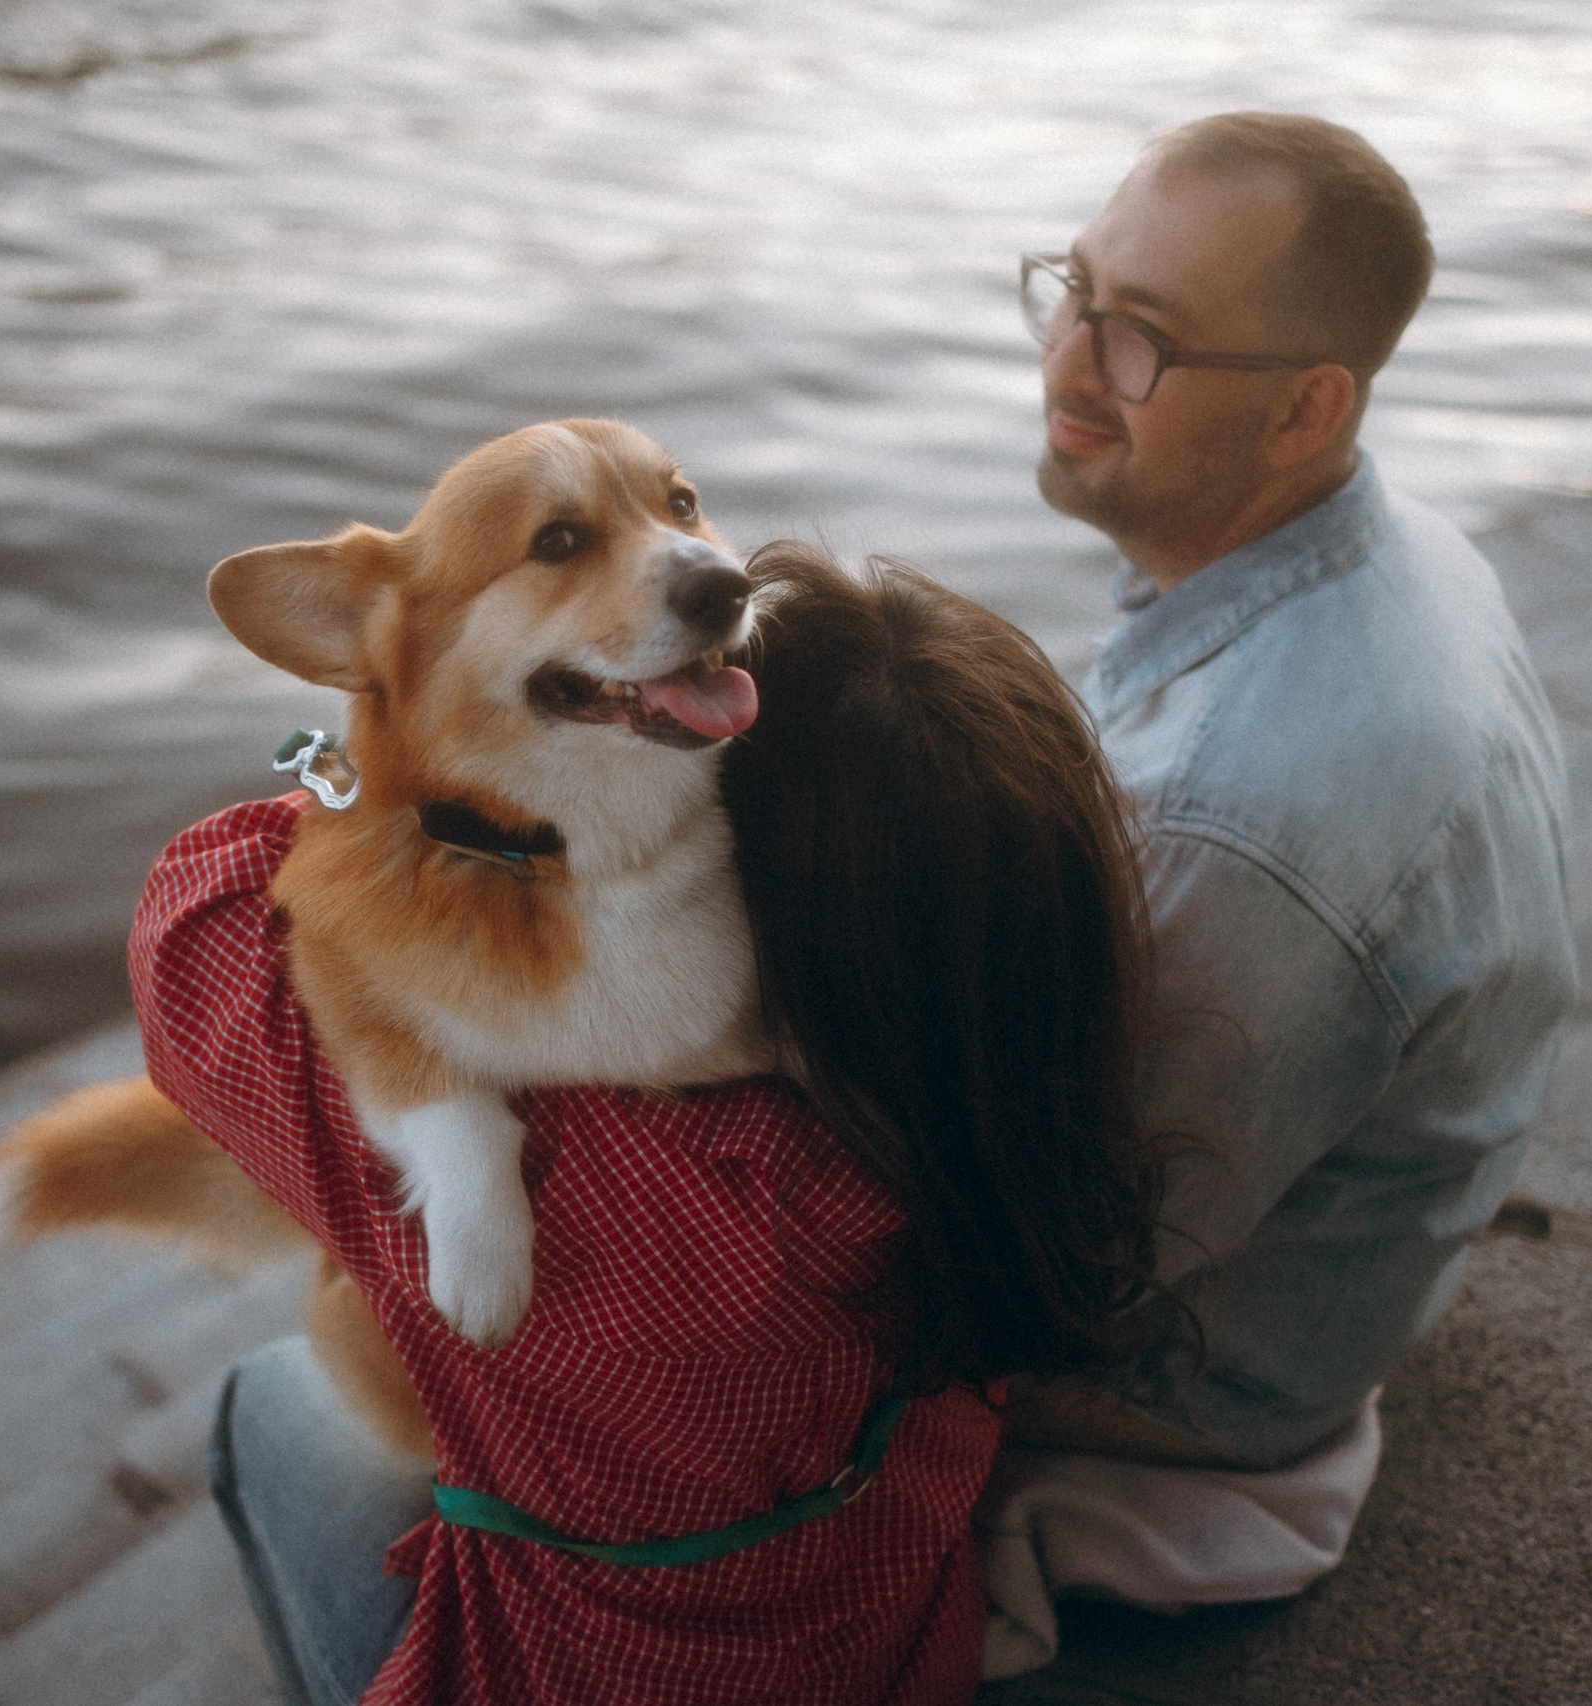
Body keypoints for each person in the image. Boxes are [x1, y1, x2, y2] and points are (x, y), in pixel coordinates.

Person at [134, 543, 1166, 1705]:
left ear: (736, 868)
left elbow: (190, 915)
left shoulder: (610, 1189)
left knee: (267, 1408)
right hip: (894, 1644)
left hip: (577, 1673)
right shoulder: (1018, 1081)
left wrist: (413, 733)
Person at [972, 112, 1577, 1678]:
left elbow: (1063, 1271)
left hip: (1214, 1374)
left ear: (1313, 406)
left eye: (1144, 339)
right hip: (1344, 1218)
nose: (1067, 361)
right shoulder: (1391, 546)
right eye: (1074, 288)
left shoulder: (1243, 823)